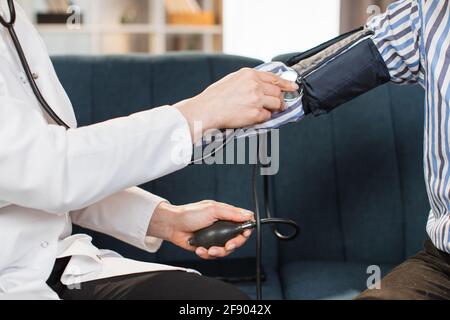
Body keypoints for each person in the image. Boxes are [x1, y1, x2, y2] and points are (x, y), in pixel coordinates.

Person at [0, 1, 299, 300]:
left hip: (55, 268)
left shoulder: (14, 18)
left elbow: (44, 176)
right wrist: (204, 109)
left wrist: (165, 219)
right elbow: (48, 170)